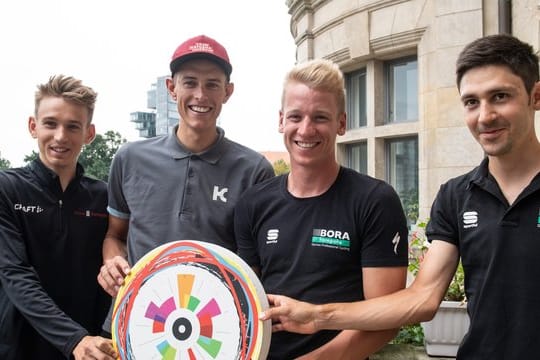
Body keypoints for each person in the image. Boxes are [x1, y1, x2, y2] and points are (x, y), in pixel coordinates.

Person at [259, 34, 540, 359]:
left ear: (535, 96)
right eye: (471, 102)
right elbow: (423, 299)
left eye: (500, 96)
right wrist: (317, 315)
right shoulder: (456, 196)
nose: (485, 116)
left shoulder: (372, 199)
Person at [234, 58, 409, 359]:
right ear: (281, 121)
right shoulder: (254, 203)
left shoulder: (375, 201)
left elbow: (386, 320)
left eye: (320, 117)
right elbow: (246, 303)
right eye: (296, 116)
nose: (306, 129)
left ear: (341, 123)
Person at [97, 34, 274, 302]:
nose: (200, 95)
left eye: (212, 84)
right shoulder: (129, 158)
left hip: (215, 331)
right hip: (136, 321)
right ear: (171, 88)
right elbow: (115, 235)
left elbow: (258, 263)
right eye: (189, 82)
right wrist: (112, 263)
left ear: (228, 92)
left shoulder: (254, 171)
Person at [0, 75, 116, 359]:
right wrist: (73, 339)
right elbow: (15, 273)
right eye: (50, 123)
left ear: (89, 134)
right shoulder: (7, 189)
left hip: (90, 349)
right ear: (33, 126)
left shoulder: (105, 196)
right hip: (19, 347)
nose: (61, 136)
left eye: (73, 126)